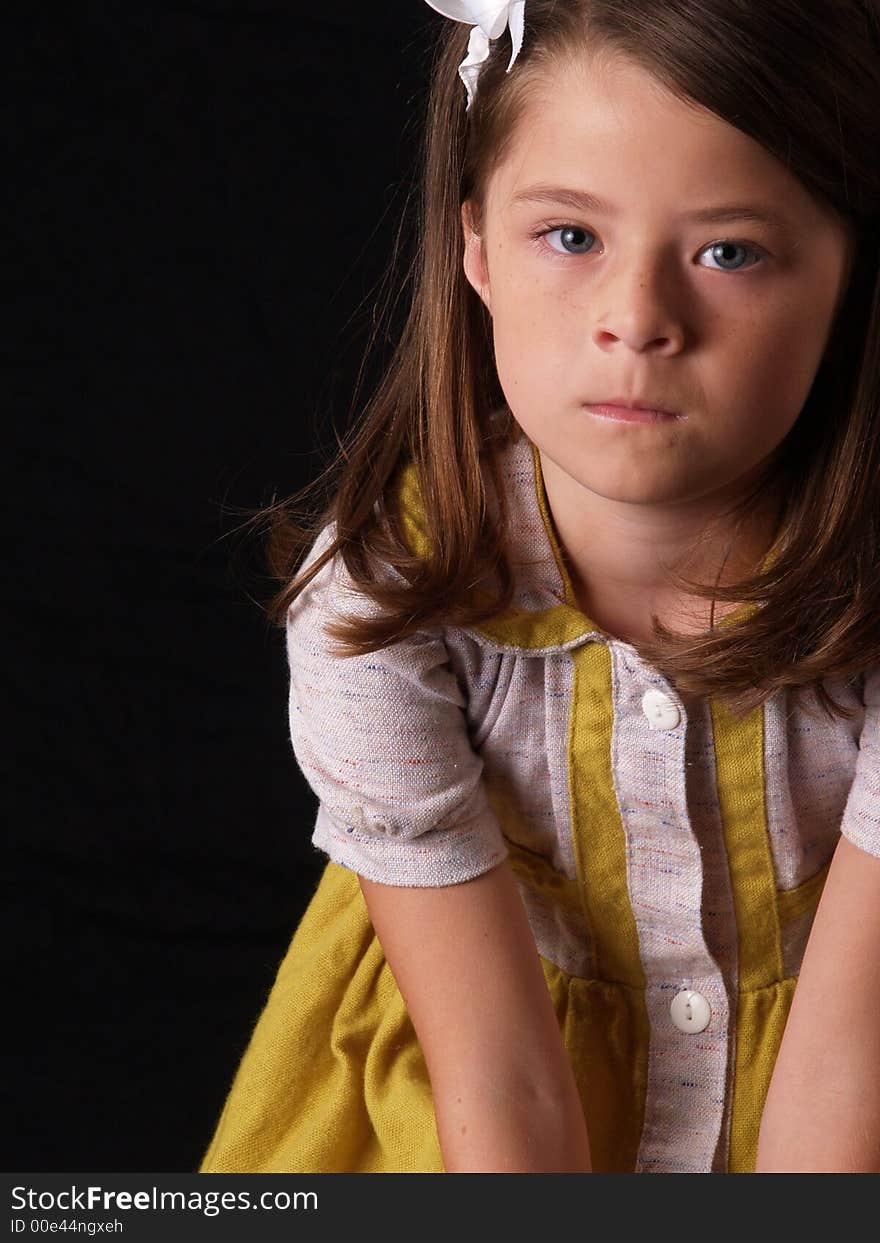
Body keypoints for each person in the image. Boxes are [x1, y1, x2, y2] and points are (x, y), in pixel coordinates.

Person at [199, 0, 880, 1174]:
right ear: (473, 248)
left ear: (846, 277)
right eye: (570, 236)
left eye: (730, 251)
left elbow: (848, 1070)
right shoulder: (379, 602)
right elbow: (497, 1076)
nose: (636, 320)